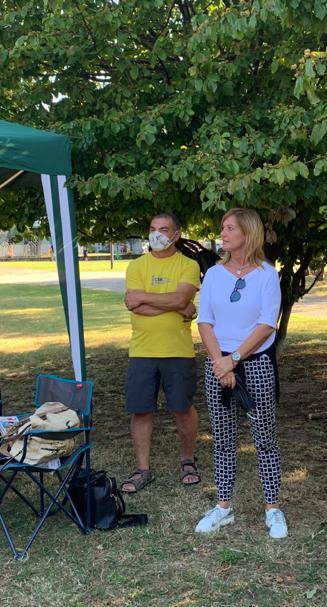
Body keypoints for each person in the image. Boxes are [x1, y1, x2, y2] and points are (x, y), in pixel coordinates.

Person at [194, 208, 286, 539]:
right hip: (218, 366)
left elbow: (266, 323)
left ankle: (273, 508)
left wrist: (233, 359)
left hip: (255, 364)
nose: (223, 233)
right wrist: (220, 362)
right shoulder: (215, 275)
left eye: (230, 228)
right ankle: (223, 506)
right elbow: (204, 321)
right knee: (223, 439)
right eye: (222, 227)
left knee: (265, 439)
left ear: (248, 233)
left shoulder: (266, 275)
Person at [120, 212, 202, 493]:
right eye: (153, 228)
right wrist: (178, 306)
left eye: (164, 229)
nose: (157, 234)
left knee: (182, 408)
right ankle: (143, 469)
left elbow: (181, 297)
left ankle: (188, 460)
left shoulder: (188, 265)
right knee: (141, 410)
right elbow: (135, 304)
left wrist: (152, 298)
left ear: (176, 235)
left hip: (178, 351)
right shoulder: (137, 266)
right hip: (142, 351)